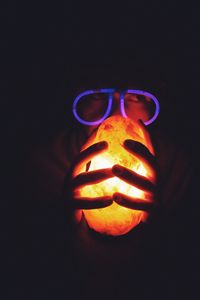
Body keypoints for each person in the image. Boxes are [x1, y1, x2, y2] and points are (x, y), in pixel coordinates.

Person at [21, 80, 196, 300]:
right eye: (96, 94)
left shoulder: (177, 167)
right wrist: (69, 237)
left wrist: (156, 240)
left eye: (137, 96)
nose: (115, 115)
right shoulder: (44, 166)